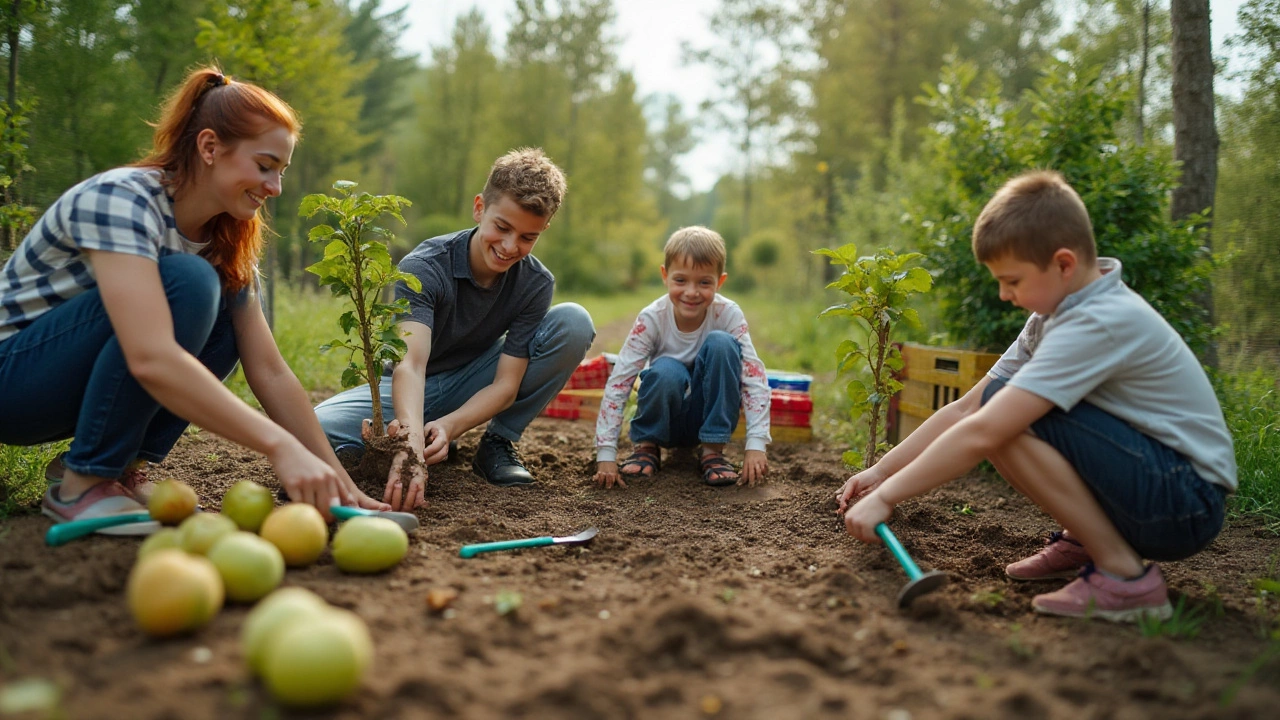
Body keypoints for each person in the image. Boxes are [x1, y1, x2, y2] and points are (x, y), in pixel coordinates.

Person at [837, 170, 1235, 622]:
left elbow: (985, 427)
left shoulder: (1098, 320)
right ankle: (1089, 540)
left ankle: (1126, 580)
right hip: (1154, 487)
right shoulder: (1053, 316)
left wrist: (889, 497)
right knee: (999, 403)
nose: (1004, 295)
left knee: (1007, 413)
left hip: (1182, 503)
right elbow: (968, 406)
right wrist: (880, 472)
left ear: (1064, 264)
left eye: (1012, 280)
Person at [0, 66, 390, 526]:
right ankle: (83, 485)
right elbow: (150, 358)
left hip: (73, 387)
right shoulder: (120, 200)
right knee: (190, 282)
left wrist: (332, 474)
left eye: (281, 172)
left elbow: (269, 370)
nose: (275, 187)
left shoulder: (227, 239)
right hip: (15, 382)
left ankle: (114, 468)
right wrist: (277, 445)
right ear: (209, 147)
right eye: (264, 166)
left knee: (221, 303)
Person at [314, 148, 594, 511]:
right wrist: (410, 443)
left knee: (573, 322)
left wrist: (452, 425)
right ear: (480, 208)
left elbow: (506, 384)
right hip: (408, 384)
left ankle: (495, 444)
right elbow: (410, 365)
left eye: (528, 237)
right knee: (317, 427)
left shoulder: (536, 283)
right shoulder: (427, 266)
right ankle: (410, 434)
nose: (510, 247)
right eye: (502, 227)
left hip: (472, 380)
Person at [593, 226, 771, 489]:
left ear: (719, 282)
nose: (691, 292)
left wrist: (756, 444)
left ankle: (712, 450)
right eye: (680, 280)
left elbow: (754, 377)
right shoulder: (652, 318)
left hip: (707, 416)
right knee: (666, 369)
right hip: (665, 415)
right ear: (665, 276)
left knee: (722, 344)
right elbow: (620, 381)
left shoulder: (728, 315)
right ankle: (648, 446)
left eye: (704, 282)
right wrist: (605, 454)